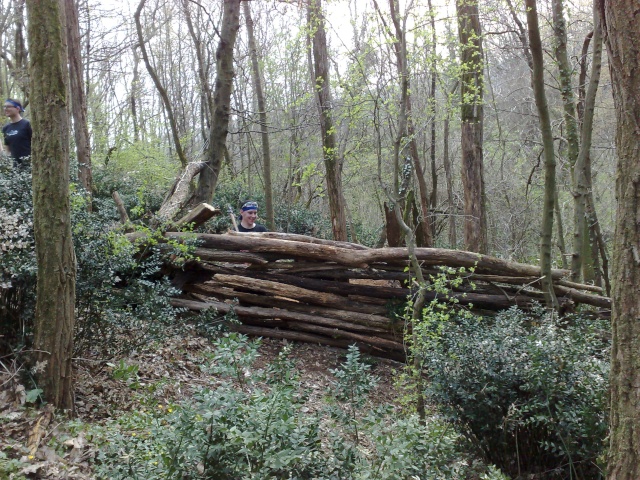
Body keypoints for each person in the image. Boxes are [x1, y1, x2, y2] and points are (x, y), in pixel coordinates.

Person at [2, 98, 32, 167]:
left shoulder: (27, 124)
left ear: (17, 108)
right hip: (15, 169)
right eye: (4, 106)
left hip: (29, 166)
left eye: (8, 106)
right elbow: (7, 149)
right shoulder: (6, 128)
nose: (5, 109)